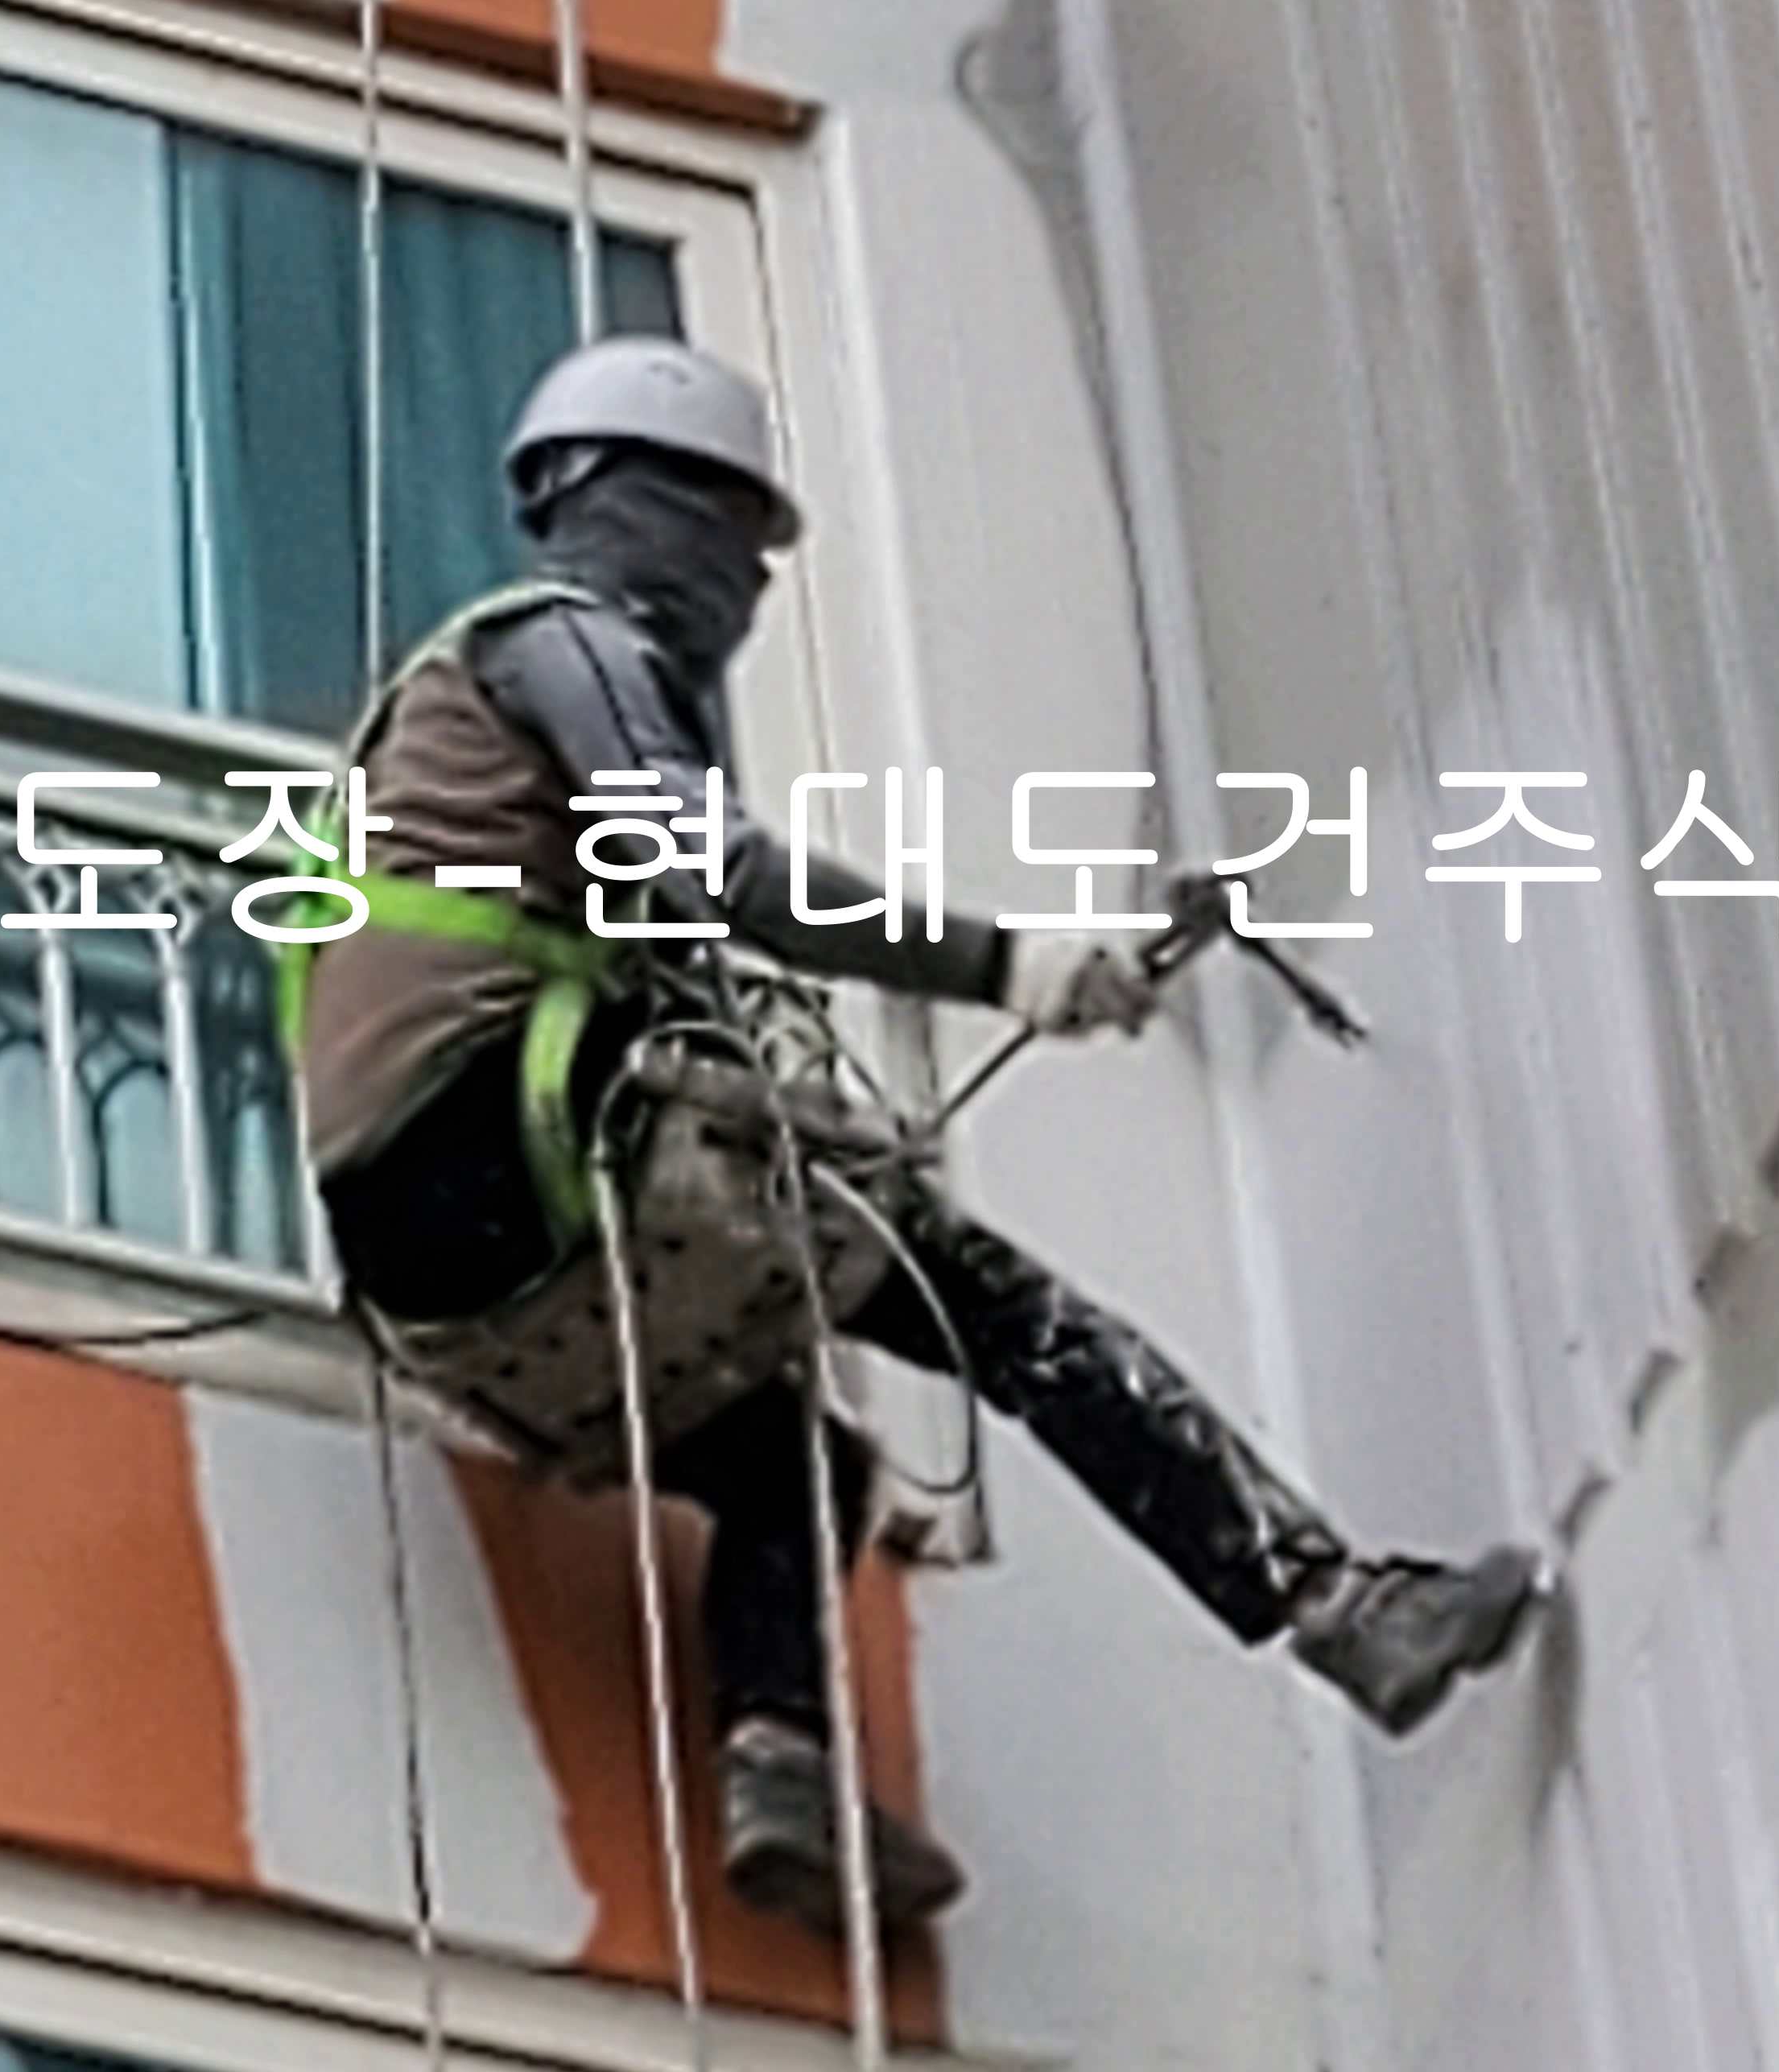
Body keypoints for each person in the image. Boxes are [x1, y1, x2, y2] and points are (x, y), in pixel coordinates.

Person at [298, 337, 1546, 1938]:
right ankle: (1337, 1604)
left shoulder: (437, 752)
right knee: (1001, 1313)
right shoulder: (561, 644)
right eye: (738, 538)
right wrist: (1007, 965)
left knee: (795, 1461)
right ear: (651, 502)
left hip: (435, 1277)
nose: (748, 586)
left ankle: (783, 1770)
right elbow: (721, 878)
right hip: (518, 1156)